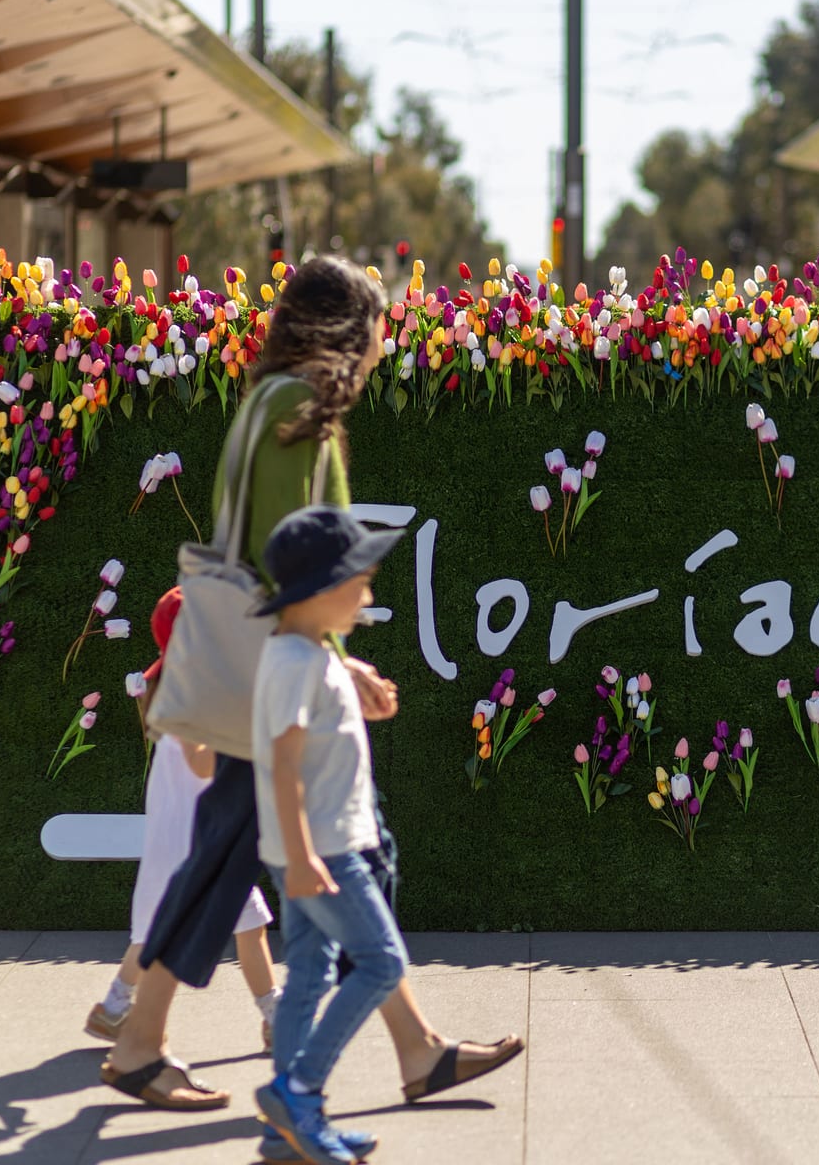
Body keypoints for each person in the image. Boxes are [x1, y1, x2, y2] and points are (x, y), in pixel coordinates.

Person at [100, 257, 522, 1119]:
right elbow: (294, 558)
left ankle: (416, 1048)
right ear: (340, 333)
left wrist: (336, 660)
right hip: (275, 689)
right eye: (373, 332)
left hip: (268, 678)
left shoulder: (267, 405)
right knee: (280, 863)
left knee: (317, 858)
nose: (378, 350)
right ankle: (146, 1042)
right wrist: (336, 662)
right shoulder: (296, 413)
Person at [252, 507, 407, 1164]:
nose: (368, 597)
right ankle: (299, 1090)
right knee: (382, 961)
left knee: (309, 973)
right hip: (321, 852)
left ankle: (285, 1130)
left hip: (314, 846)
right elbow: (283, 765)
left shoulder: (309, 654)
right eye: (360, 584)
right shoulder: (294, 662)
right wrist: (304, 856)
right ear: (320, 591)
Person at [85, 586, 282, 1051]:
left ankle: (115, 1009)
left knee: (220, 929)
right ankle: (120, 1012)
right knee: (164, 939)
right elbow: (200, 762)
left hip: (190, 842)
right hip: (194, 847)